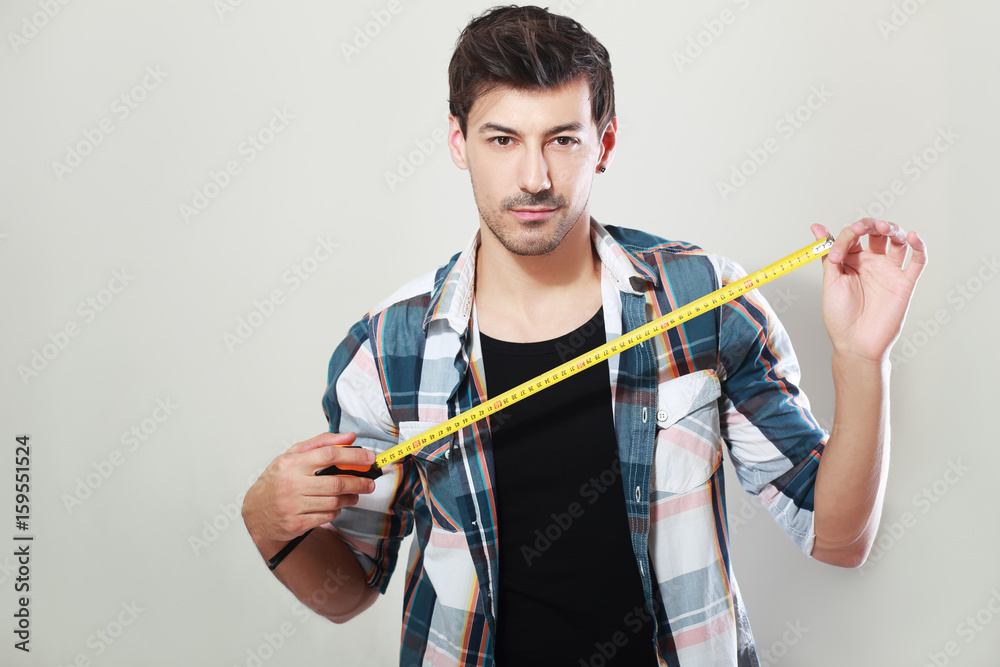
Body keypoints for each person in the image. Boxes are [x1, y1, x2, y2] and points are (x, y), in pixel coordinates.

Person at [241, 5, 927, 666]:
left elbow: (838, 537)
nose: (534, 177)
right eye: (502, 139)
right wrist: (269, 523)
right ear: (459, 143)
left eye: (563, 139)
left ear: (605, 142)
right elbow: (349, 592)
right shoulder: (391, 346)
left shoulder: (702, 299)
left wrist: (863, 359)